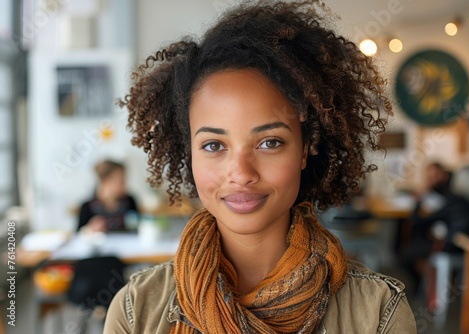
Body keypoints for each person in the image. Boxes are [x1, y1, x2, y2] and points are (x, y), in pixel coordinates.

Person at [104, 1, 416, 333]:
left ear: (306, 148)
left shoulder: (378, 313)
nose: (240, 173)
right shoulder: (135, 311)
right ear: (190, 153)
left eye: (269, 142)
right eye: (213, 146)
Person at [401, 165, 469, 295]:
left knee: (405, 254)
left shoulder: (454, 201)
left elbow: (419, 222)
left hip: (450, 248)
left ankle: (418, 288)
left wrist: (418, 202)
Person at [78, 159, 139, 232]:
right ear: (104, 181)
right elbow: (78, 235)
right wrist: (89, 228)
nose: (125, 185)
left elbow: (136, 230)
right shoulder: (87, 207)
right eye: (120, 181)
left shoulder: (130, 202)